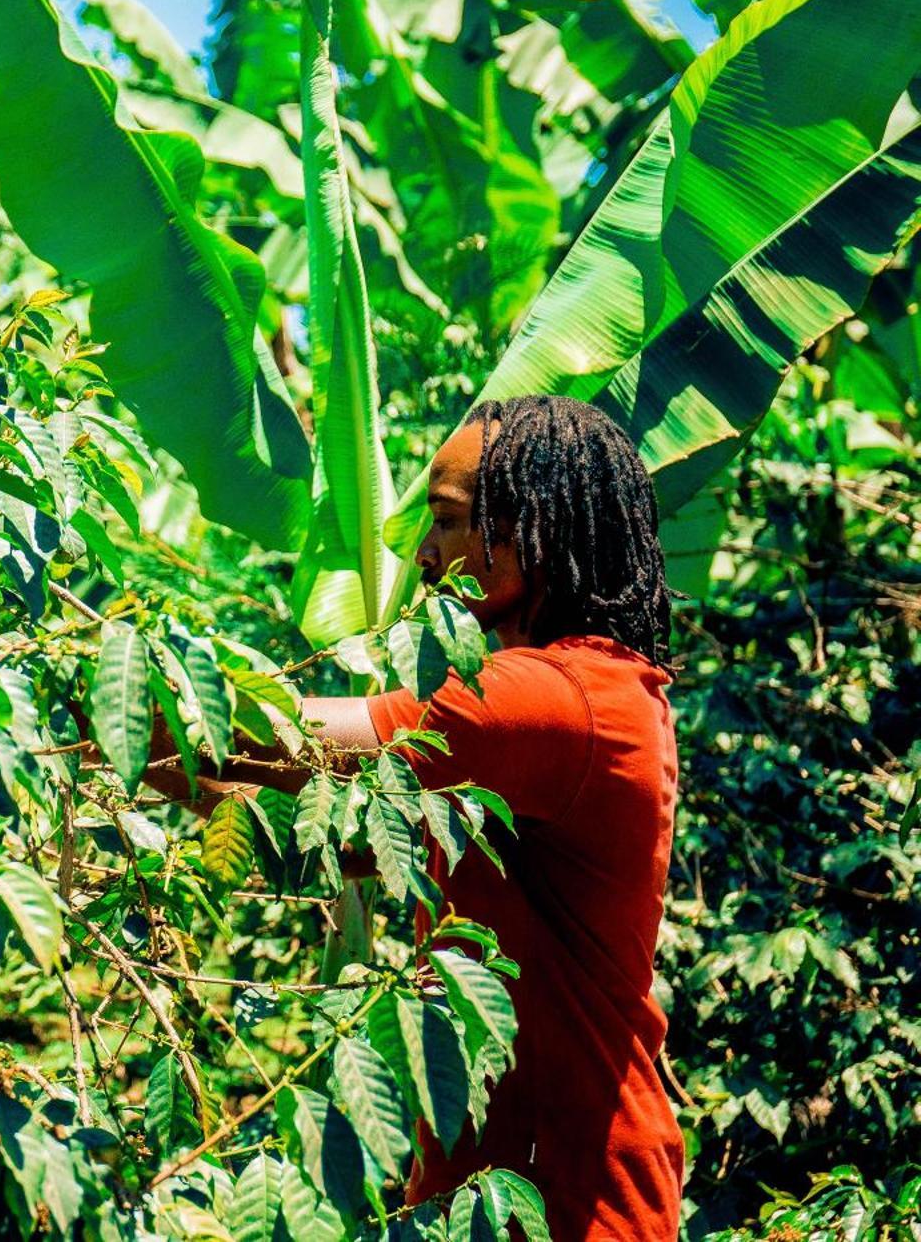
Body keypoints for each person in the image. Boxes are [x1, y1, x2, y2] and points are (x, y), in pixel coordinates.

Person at [148, 395, 684, 1241]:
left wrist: (118, 695)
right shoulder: (601, 688)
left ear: (532, 522)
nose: (428, 555)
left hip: (569, 1199)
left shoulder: (549, 700)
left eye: (449, 521)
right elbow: (329, 837)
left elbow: (283, 740)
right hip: (485, 1192)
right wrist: (153, 756)